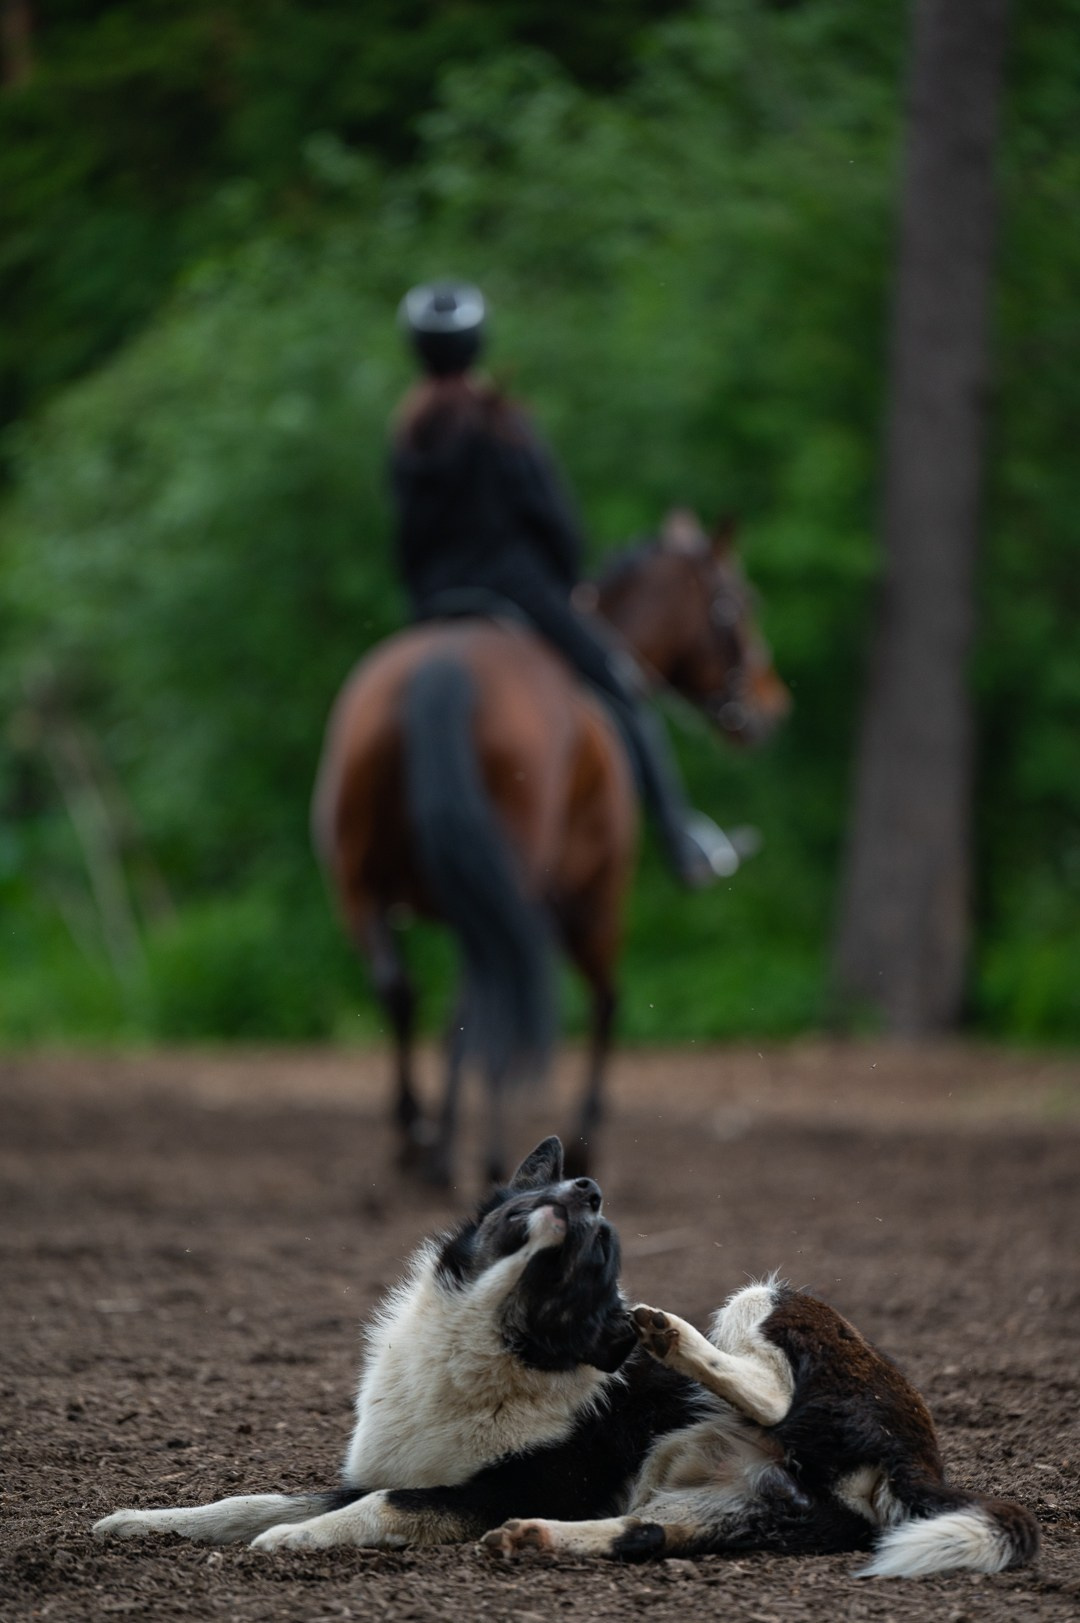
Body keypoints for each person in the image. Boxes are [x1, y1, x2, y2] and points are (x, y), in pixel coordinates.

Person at [390, 280, 737, 888]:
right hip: (519, 592)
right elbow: (551, 518)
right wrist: (568, 581)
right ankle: (681, 839)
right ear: (477, 345)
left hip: (437, 603)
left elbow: (407, 540)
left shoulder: (409, 435)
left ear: (416, 350)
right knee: (621, 689)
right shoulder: (503, 423)